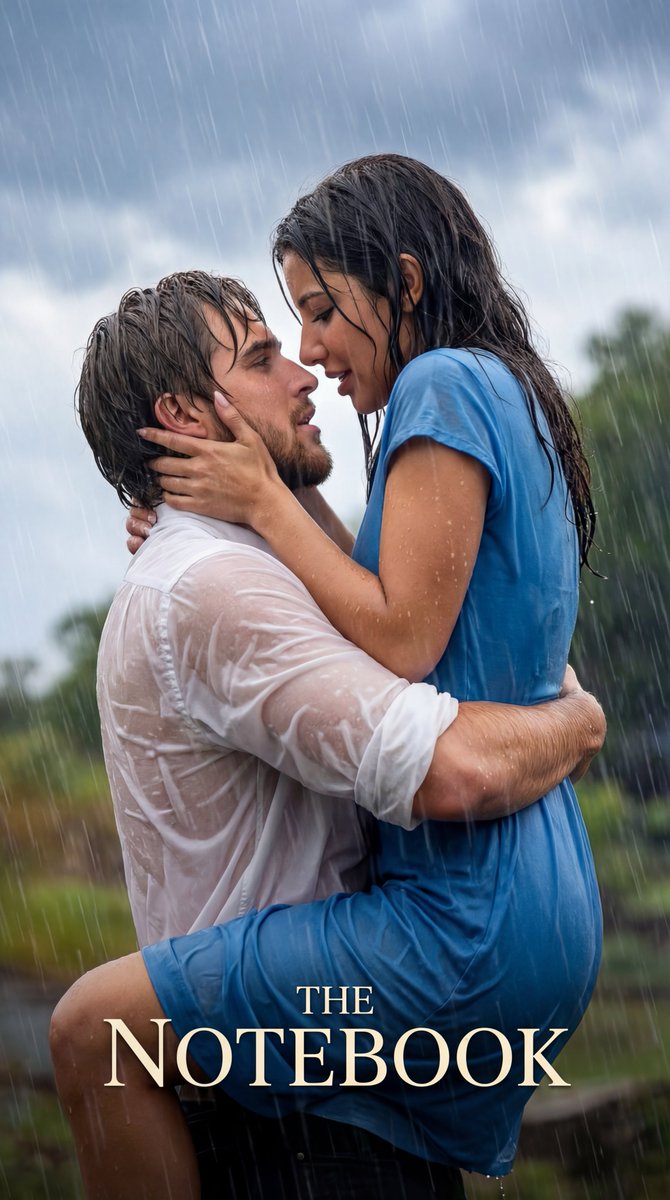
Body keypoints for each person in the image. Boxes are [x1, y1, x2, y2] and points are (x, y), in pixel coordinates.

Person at [51, 152, 604, 1198]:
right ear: (184, 415)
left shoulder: (438, 383)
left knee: (91, 1031)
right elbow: (393, 608)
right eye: (271, 348)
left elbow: (399, 640)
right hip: (538, 889)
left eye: (315, 315)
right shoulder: (500, 387)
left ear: (404, 283)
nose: (308, 359)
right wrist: (255, 507)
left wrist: (263, 501)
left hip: (463, 909)